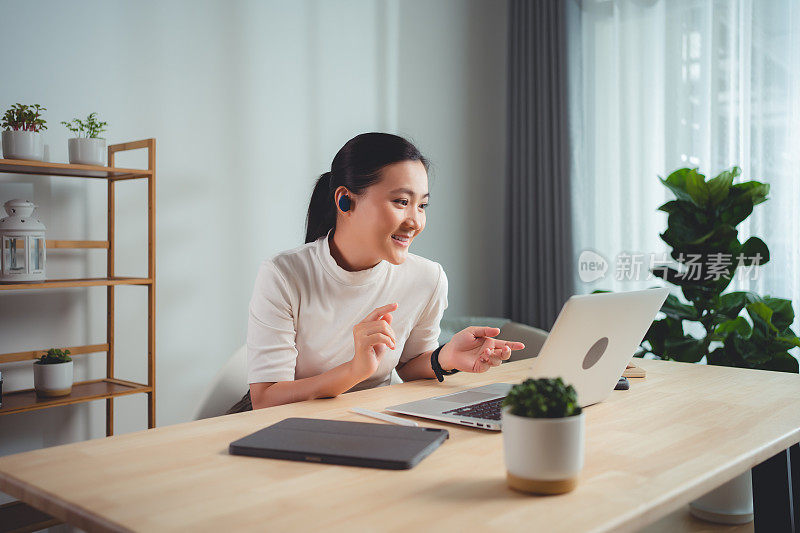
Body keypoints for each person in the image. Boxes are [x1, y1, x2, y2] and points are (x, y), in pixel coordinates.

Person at [232, 132, 525, 412]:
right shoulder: (284, 275)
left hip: (368, 419)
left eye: (422, 205)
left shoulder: (427, 278)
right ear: (345, 200)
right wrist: (353, 371)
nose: (415, 221)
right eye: (401, 202)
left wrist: (443, 357)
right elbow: (265, 399)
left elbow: (409, 366)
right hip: (283, 428)